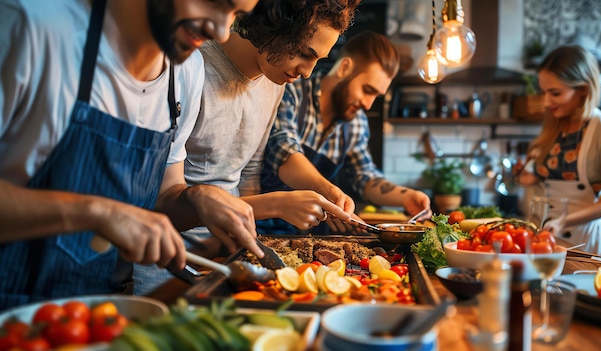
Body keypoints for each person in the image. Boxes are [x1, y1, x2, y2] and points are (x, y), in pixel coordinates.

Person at [0, 0, 261, 309]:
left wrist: (196, 198)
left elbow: (162, 198)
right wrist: (99, 213)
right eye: (214, 2)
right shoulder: (32, 25)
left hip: (97, 314)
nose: (221, 31)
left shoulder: (186, 72)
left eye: (236, 15)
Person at [133, 0, 360, 295]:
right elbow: (157, 202)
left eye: (318, 59)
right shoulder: (191, 68)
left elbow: (247, 172)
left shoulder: (275, 83)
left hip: (229, 261)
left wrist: (252, 248)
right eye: (305, 54)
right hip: (170, 267)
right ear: (275, 26)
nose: (307, 72)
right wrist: (275, 204)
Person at [256, 31, 432, 235]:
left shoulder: (356, 122)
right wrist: (330, 193)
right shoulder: (291, 90)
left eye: (376, 95)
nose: (367, 104)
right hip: (260, 225)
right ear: (345, 67)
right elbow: (284, 155)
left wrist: (405, 196)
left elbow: (365, 177)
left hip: (310, 234)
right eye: (367, 89)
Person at [516, 45, 601, 259]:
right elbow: (543, 172)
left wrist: (564, 220)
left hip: (592, 243)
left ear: (583, 89)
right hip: (550, 241)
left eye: (555, 93)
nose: (547, 102)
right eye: (544, 92)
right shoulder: (554, 127)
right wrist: (529, 174)